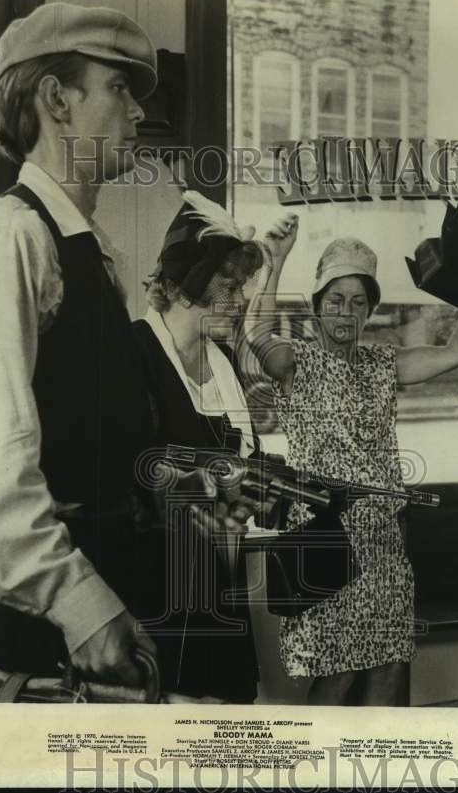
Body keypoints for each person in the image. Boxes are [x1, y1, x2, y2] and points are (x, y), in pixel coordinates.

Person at [0, 3, 256, 691]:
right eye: (118, 88)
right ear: (56, 100)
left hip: (104, 605)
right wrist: (80, 605)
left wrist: (180, 494)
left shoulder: (88, 250)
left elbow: (88, 436)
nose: (138, 110)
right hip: (39, 630)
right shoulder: (11, 237)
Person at [244, 225, 458, 706]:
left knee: (387, 669)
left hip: (384, 545)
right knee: (335, 678)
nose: (346, 312)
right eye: (336, 299)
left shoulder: (385, 362)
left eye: (358, 301)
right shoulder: (296, 362)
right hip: (327, 543)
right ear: (318, 303)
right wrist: (275, 262)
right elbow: (256, 335)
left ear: (370, 308)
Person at [129, 191, 287, 702]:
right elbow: (127, 474)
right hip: (152, 590)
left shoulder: (220, 363)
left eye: (242, 287)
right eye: (228, 284)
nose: (239, 300)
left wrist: (272, 483)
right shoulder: (134, 352)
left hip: (219, 584)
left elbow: (240, 463)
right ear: (181, 284)